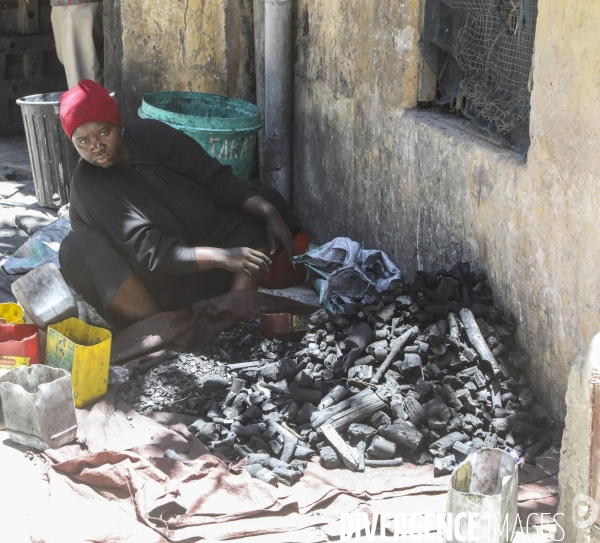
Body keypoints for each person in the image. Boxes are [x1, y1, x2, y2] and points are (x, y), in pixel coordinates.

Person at [58, 80, 302, 330]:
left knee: (262, 201)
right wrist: (223, 257)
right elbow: (152, 254)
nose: (97, 147)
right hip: (155, 284)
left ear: (118, 125)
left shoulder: (150, 134)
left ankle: (233, 312)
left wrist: (269, 213)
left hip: (201, 259)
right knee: (77, 247)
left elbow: (213, 176)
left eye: (103, 133)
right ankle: (164, 328)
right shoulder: (90, 185)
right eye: (83, 142)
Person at [49, 0, 104, 88]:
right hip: (59, 4)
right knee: (72, 64)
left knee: (82, 72)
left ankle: (89, 100)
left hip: (81, 5)